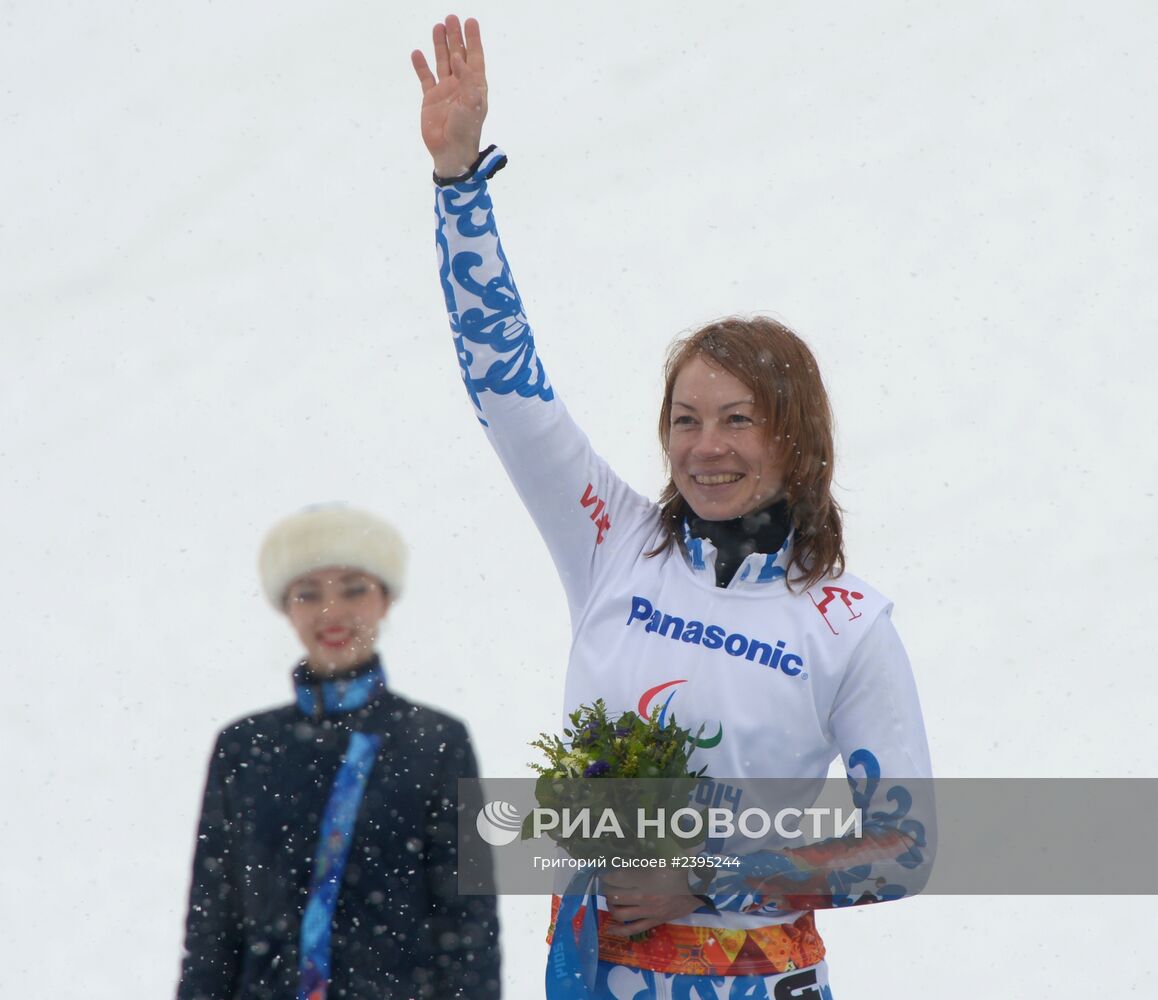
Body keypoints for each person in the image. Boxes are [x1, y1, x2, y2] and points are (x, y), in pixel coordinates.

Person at [411, 17, 934, 999]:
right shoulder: (614, 543)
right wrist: (458, 185)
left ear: (796, 442)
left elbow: (905, 847)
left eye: (739, 419)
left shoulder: (847, 626)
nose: (707, 446)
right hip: (596, 974)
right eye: (686, 419)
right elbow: (509, 389)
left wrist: (710, 876)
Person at [176, 504, 501, 1000]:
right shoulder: (243, 746)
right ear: (287, 607)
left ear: (385, 599)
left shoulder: (439, 741)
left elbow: (470, 925)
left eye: (354, 588)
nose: (331, 612)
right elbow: (212, 925)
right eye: (308, 593)